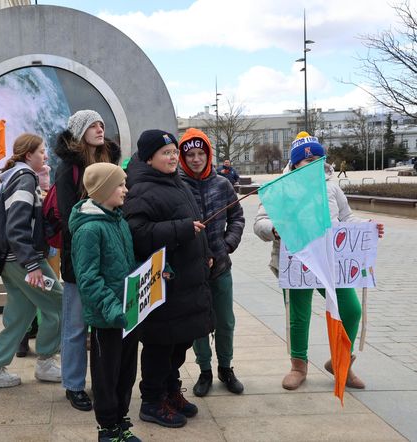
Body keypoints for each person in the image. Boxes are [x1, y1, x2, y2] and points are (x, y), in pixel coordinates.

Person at [254, 132, 384, 391]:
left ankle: (341, 362)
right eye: (306, 159)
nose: (312, 163)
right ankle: (298, 365)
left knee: (350, 309)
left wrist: (367, 227)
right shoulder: (282, 188)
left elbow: (346, 219)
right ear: (295, 163)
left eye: (317, 158)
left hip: (331, 262)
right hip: (295, 263)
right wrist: (275, 229)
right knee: (298, 316)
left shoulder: (332, 187)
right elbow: (260, 223)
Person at [123, 130, 214, 429]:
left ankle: (170, 390)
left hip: (187, 282)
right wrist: (181, 229)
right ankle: (151, 400)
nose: (174, 156)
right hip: (164, 285)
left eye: (175, 151)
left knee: (180, 342)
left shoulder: (176, 183)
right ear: (149, 158)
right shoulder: (140, 189)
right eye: (166, 153)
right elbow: (137, 235)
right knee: (161, 345)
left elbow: (193, 222)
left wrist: (207, 251)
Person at [0, 133, 62, 390]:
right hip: (25, 260)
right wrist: (33, 265)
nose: (45, 155)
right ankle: (46, 360)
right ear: (29, 155)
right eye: (41, 151)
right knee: (60, 304)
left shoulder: (16, 177)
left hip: (12, 260)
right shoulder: (25, 179)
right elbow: (17, 227)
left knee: (20, 313)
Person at [54, 109, 121, 411]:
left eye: (101, 124)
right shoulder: (67, 168)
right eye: (92, 125)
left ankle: (103, 382)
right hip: (79, 256)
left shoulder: (109, 160)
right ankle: (73, 384)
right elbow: (70, 215)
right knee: (77, 324)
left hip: (111, 254)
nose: (99, 129)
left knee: (105, 324)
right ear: (79, 131)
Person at [70, 163, 140, 442]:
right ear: (103, 191)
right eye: (121, 185)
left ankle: (121, 420)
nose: (126, 189)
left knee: (126, 372)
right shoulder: (89, 230)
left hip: (127, 315)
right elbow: (89, 280)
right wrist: (113, 310)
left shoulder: (118, 221)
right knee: (106, 376)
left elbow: (127, 264)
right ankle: (107, 428)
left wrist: (158, 270)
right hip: (107, 318)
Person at [178, 129, 245, 398]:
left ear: (208, 155)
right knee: (199, 324)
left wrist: (227, 245)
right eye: (190, 155)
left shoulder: (222, 184)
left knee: (225, 321)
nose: (196, 159)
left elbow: (237, 218)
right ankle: (204, 369)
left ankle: (225, 367)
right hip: (193, 270)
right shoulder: (178, 186)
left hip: (221, 268)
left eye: (200, 154)